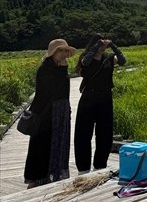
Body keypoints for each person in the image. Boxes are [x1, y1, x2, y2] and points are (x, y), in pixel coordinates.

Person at [24, 39, 76, 188]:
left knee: (58, 142)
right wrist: (62, 70)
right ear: (53, 52)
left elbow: (64, 91)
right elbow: (46, 92)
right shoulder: (45, 69)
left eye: (66, 51)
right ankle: (36, 178)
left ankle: (52, 173)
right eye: (61, 50)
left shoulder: (61, 68)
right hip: (46, 113)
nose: (64, 54)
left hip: (60, 111)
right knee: (41, 144)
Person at [74, 33, 126, 174]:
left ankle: (100, 164)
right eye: (100, 43)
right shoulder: (86, 57)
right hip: (88, 98)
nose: (103, 46)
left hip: (105, 98)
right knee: (83, 134)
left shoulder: (109, 58)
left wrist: (113, 45)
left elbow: (122, 61)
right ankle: (83, 168)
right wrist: (96, 46)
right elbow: (85, 63)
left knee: (105, 134)